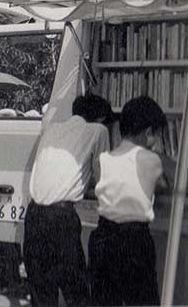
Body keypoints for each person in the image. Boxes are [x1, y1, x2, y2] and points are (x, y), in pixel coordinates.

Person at [23, 94, 112, 307]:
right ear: (100, 118)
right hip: (60, 218)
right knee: (76, 290)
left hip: (34, 214)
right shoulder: (99, 131)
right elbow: (104, 179)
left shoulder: (52, 129)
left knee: (41, 291)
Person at [89, 96, 175, 306]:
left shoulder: (103, 160)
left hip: (102, 238)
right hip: (134, 240)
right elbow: (182, 182)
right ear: (148, 133)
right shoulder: (153, 159)